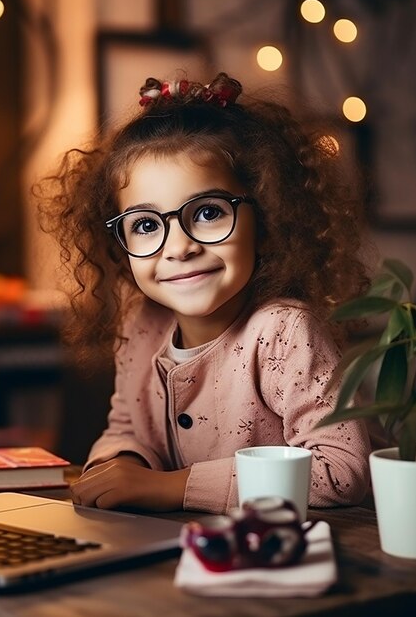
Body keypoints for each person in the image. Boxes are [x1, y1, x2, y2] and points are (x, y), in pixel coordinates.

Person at [37, 72, 373, 514]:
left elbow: (341, 470)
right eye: (144, 224)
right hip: (182, 551)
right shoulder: (143, 326)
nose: (179, 247)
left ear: (267, 220)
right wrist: (123, 464)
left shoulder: (284, 332)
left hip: (287, 557)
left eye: (209, 212)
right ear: (120, 245)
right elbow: (128, 427)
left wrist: (168, 487)